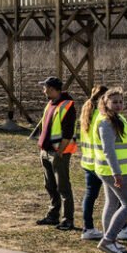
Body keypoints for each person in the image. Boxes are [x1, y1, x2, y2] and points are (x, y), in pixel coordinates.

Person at [92, 87, 127, 253]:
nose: (119, 105)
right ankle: (108, 239)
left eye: (121, 101)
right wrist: (117, 173)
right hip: (117, 171)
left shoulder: (118, 119)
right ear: (105, 103)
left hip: (113, 170)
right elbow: (109, 150)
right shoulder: (107, 122)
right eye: (114, 102)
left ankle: (110, 240)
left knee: (112, 203)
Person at [78, 86, 127, 242]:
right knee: (118, 199)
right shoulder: (102, 117)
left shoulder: (86, 113)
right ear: (104, 100)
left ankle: (88, 227)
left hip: (88, 161)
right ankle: (120, 229)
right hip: (100, 163)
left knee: (92, 196)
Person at [35, 76, 78, 230]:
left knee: (63, 186)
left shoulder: (67, 106)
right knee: (50, 185)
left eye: (45, 87)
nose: (43, 90)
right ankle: (53, 215)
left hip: (58, 153)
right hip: (46, 151)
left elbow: (68, 133)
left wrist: (60, 151)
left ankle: (68, 219)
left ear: (52, 89)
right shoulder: (50, 104)